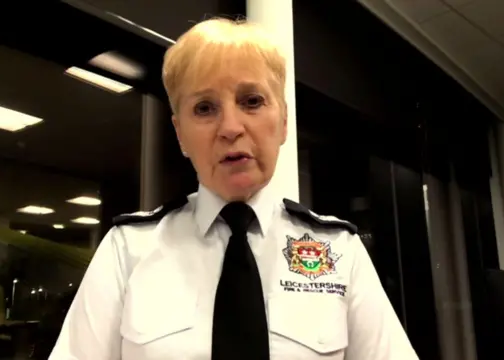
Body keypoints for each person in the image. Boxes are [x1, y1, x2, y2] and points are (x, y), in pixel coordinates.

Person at [49, 17, 418, 360]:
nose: (230, 127)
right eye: (205, 108)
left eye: (252, 101)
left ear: (284, 121)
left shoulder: (339, 251)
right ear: (180, 134)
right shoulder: (128, 250)